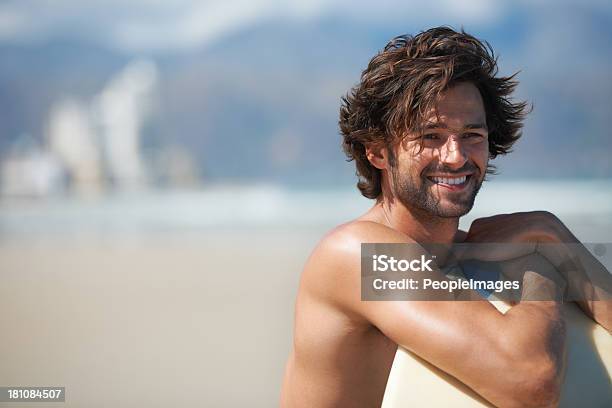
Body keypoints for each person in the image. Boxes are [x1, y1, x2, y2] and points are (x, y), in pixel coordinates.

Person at [280, 27, 610, 407]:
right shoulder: (355, 253)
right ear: (377, 153)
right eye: (431, 136)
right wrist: (543, 273)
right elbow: (530, 382)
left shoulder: (467, 256)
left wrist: (554, 232)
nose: (455, 156)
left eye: (472, 135)